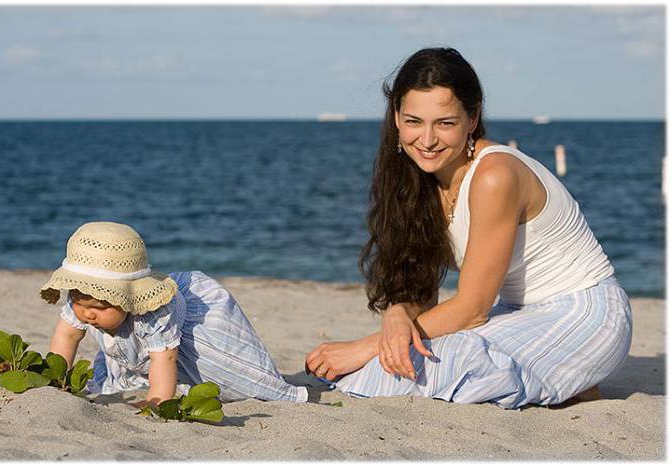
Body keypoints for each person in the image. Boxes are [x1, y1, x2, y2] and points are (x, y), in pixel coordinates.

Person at [305, 47, 632, 409]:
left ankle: (565, 375)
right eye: (414, 121)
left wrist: (366, 345)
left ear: (472, 118)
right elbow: (422, 289)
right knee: (384, 369)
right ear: (396, 117)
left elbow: (472, 308)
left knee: (435, 363)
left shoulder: (495, 176)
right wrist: (398, 315)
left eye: (445, 123)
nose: (427, 140)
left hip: (584, 314)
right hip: (515, 314)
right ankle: (560, 381)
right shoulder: (419, 179)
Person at [42, 221, 307, 407]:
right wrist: (55, 379)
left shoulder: (154, 313)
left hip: (191, 342)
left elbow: (165, 358)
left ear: (128, 298)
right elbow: (66, 336)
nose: (88, 314)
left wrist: (158, 400)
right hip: (140, 349)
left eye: (100, 308)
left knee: (226, 381)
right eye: (79, 302)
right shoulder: (80, 295)